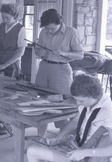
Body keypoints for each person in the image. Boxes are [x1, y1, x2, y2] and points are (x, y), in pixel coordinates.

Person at [25, 74, 112, 162]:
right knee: (40, 143)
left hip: (86, 157)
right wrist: (58, 138)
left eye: (81, 101)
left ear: (93, 95)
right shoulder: (91, 103)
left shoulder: (108, 112)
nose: (78, 103)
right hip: (80, 147)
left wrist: (85, 152)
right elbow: (75, 122)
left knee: (32, 151)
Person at [34, 9, 84, 137]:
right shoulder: (44, 31)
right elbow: (38, 51)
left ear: (59, 22)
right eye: (47, 29)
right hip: (44, 67)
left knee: (62, 107)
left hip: (61, 70)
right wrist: (40, 51)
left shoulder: (71, 32)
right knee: (42, 105)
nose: (48, 31)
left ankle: (66, 139)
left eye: (51, 29)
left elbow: (80, 55)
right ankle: (41, 138)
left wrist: (64, 53)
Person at [0, 4, 27, 135]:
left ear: (14, 16)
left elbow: (20, 52)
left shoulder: (21, 29)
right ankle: (0, 123)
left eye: (7, 17)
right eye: (3, 17)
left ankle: (7, 125)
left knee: (8, 97)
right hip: (0, 61)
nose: (4, 20)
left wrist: (4, 65)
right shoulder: (2, 26)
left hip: (12, 64)